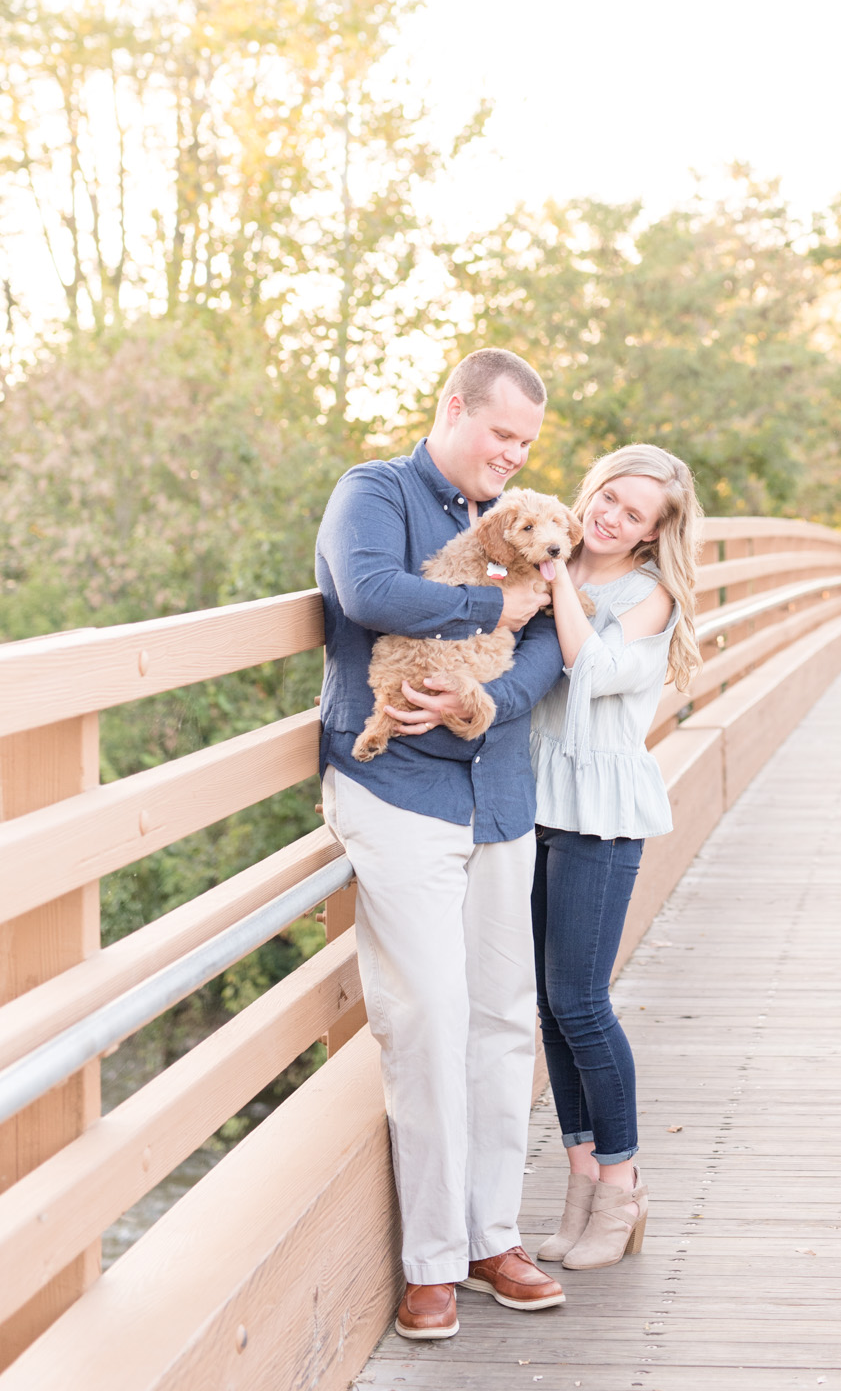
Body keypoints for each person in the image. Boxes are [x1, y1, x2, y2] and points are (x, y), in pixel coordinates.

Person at [315, 348, 569, 1342]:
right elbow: (370, 592)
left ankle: (489, 1234)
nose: (512, 454)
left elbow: (551, 637)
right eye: (501, 433)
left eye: (526, 444)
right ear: (452, 409)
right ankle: (429, 1261)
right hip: (395, 788)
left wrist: (483, 697)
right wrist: (486, 604)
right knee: (425, 1014)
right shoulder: (374, 491)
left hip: (498, 784)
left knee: (505, 1014)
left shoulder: (531, 522)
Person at [528, 444, 702, 1270]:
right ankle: (578, 1183)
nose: (610, 516)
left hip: (600, 811)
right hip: (530, 799)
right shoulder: (535, 559)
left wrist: (556, 574)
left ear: (651, 534)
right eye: (607, 497)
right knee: (548, 1008)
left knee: (581, 1000)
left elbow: (590, 671)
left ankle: (622, 1185)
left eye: (633, 514)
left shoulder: (647, 593)